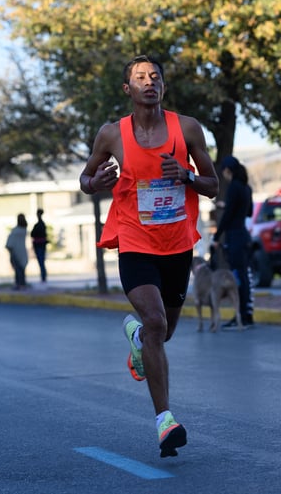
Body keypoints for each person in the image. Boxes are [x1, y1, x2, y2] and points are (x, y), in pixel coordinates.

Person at [79, 55, 218, 458]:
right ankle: (165, 422)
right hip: (135, 240)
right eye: (139, 77)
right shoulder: (112, 135)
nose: (148, 82)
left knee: (163, 332)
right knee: (156, 320)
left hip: (177, 245)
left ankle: (138, 338)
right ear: (128, 89)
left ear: (163, 86)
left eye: (155, 76)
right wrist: (96, 182)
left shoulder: (187, 128)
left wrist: (188, 175)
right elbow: (85, 178)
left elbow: (212, 186)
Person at [213, 155, 255, 328]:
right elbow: (249, 212)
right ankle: (247, 314)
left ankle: (241, 316)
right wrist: (228, 206)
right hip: (244, 235)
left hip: (234, 237)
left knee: (237, 277)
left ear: (227, 170)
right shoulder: (246, 188)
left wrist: (216, 237)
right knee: (244, 276)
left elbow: (228, 216)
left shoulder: (233, 188)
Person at [5, 213, 29, 290]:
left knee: (18, 269)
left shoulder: (15, 231)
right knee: (21, 268)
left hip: (15, 251)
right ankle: (21, 284)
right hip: (22, 251)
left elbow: (10, 243)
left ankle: (19, 284)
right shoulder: (24, 230)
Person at [30, 208, 48, 284]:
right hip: (40, 245)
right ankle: (43, 276)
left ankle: (43, 276)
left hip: (39, 245)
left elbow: (33, 234)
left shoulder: (39, 224)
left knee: (41, 262)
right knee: (41, 261)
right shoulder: (41, 224)